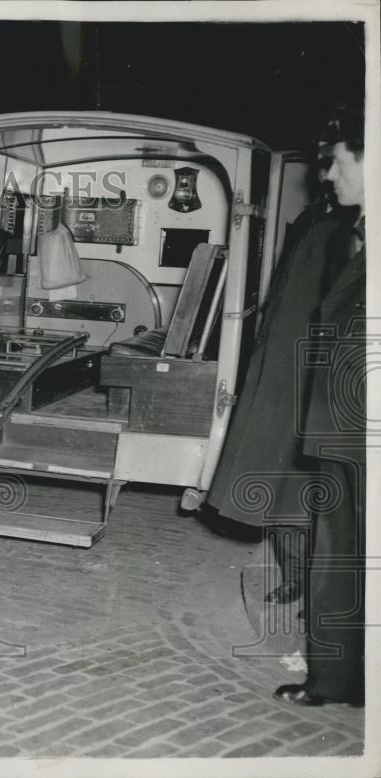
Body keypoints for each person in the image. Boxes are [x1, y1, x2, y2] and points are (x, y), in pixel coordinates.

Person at [206, 157, 341, 609]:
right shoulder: (311, 222)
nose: (330, 175)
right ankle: (297, 575)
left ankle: (324, 588)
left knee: (315, 494)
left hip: (325, 374)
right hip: (284, 371)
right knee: (279, 488)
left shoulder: (351, 233)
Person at [275, 104, 366, 707]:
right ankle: (337, 679)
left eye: (335, 162)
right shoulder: (355, 238)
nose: (327, 177)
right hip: (342, 431)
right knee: (339, 554)